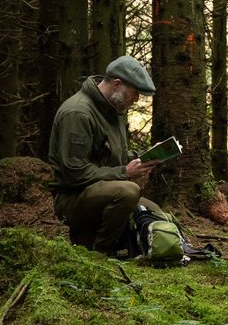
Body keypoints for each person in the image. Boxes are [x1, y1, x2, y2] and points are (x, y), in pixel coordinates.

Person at [48, 55, 162, 256]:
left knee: (154, 211)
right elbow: (74, 173)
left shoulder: (112, 110)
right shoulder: (78, 113)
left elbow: (109, 155)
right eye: (135, 93)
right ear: (117, 84)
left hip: (98, 191)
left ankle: (116, 243)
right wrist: (124, 172)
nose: (136, 100)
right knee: (128, 192)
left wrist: (144, 156)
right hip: (72, 199)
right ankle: (100, 253)